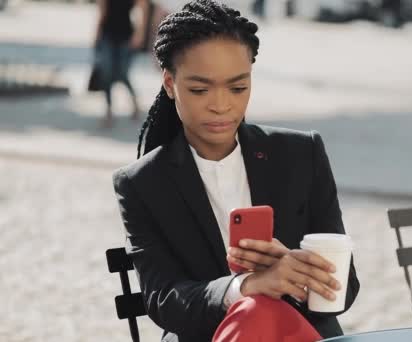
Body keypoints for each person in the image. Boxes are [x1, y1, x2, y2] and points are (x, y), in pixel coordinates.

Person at [112, 1, 360, 341]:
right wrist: (245, 287)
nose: (221, 105)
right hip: (208, 334)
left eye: (238, 87)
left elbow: (345, 290)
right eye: (200, 90)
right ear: (170, 84)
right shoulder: (142, 183)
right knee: (254, 310)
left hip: (298, 332)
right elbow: (164, 299)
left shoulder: (302, 154)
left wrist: (298, 270)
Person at [94, 0, 149, 128]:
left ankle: (134, 102)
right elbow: (102, 11)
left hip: (126, 36)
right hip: (107, 35)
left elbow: (143, 8)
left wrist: (140, 33)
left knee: (122, 73)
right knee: (106, 73)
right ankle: (108, 110)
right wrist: (96, 36)